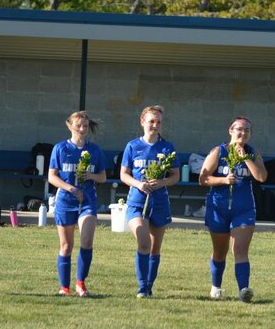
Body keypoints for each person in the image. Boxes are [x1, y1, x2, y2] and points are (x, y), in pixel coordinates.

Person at [198, 117, 268, 302]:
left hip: (243, 209)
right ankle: (216, 286)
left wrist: (245, 157)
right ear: (231, 130)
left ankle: (243, 290)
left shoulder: (253, 153)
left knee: (239, 249)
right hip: (219, 207)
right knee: (220, 251)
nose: (243, 133)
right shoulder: (218, 151)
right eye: (240, 129)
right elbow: (203, 179)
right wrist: (222, 180)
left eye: (247, 130)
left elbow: (261, 177)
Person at [120, 105, 180, 298]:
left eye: (159, 122)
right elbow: (124, 174)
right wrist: (138, 184)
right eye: (151, 121)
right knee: (143, 242)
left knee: (154, 248)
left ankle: (148, 286)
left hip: (159, 202)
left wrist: (162, 181)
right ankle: (141, 287)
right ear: (142, 121)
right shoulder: (132, 146)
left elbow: (175, 176)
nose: (155, 125)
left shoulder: (167, 147)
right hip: (137, 201)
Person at [47, 111, 107, 297]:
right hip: (65, 201)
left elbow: (103, 177)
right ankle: (64, 288)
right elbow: (52, 177)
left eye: (85, 126)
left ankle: (81, 284)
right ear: (70, 126)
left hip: (87, 201)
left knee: (87, 241)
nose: (82, 129)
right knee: (66, 245)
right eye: (78, 125)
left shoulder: (94, 150)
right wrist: (70, 188)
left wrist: (90, 176)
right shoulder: (60, 148)